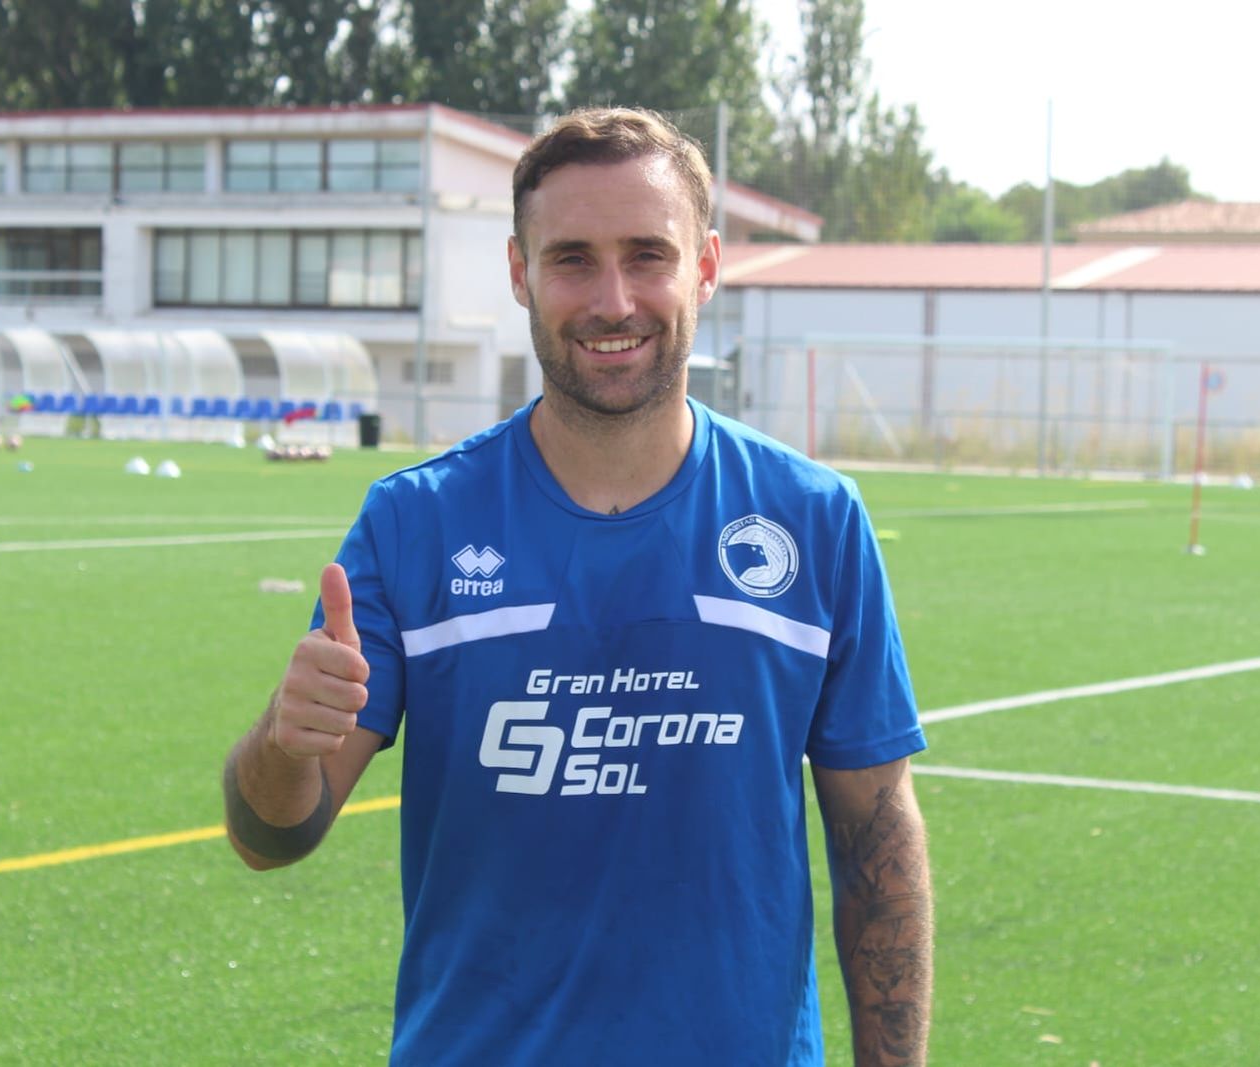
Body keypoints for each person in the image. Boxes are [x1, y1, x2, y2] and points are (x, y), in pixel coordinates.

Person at [223, 106, 933, 1066]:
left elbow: (877, 842)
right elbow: (270, 837)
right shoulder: (413, 522)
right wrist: (283, 738)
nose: (613, 300)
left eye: (648, 256)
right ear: (520, 272)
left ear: (705, 268)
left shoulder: (814, 520)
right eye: (572, 260)